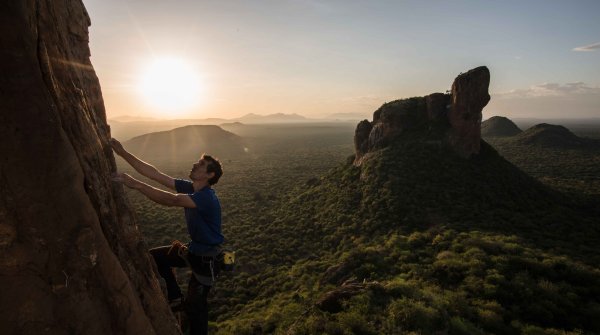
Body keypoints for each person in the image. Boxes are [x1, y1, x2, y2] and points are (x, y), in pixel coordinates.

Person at [110, 138, 223, 335]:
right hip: (193, 250)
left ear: (210, 175)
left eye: (201, 165)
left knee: (196, 311)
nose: (195, 164)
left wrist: (135, 184)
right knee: (155, 258)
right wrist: (122, 153)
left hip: (206, 259)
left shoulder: (206, 197)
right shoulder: (192, 188)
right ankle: (175, 296)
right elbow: (156, 175)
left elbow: (171, 200)